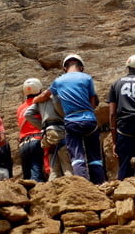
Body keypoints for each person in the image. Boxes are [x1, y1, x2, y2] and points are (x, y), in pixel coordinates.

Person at [39, 53, 105, 184]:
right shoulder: (87, 78)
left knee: (77, 157)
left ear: (65, 68)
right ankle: (99, 184)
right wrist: (89, 111)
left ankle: (83, 185)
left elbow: (45, 96)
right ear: (81, 67)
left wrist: (35, 99)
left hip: (71, 122)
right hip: (89, 120)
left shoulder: (58, 81)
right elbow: (92, 98)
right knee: (95, 157)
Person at [24, 90, 71, 180]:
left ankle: (52, 190)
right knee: (67, 164)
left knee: (54, 168)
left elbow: (27, 114)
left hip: (48, 134)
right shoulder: (58, 97)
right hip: (59, 131)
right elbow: (59, 107)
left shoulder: (40, 101)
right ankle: (73, 188)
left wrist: (43, 126)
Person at [16, 78, 45, 181]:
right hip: (36, 140)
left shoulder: (20, 108)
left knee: (27, 175)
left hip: (23, 144)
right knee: (36, 170)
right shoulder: (40, 104)